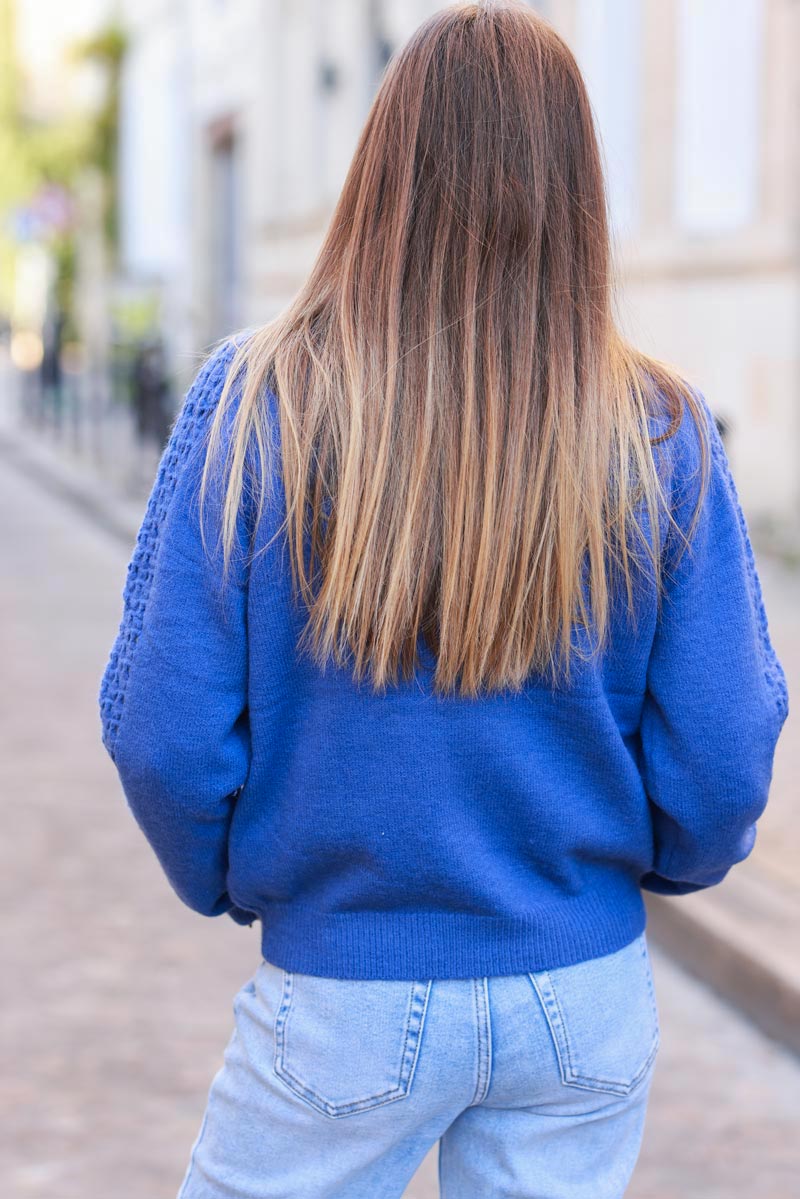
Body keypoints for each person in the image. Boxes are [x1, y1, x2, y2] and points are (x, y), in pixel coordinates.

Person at [97, 4, 788, 1197]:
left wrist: (237, 874)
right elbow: (724, 748)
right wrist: (628, 872)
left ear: (381, 170)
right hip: (579, 990)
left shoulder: (254, 402)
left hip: (340, 987)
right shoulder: (659, 432)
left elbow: (162, 728)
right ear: (576, 184)